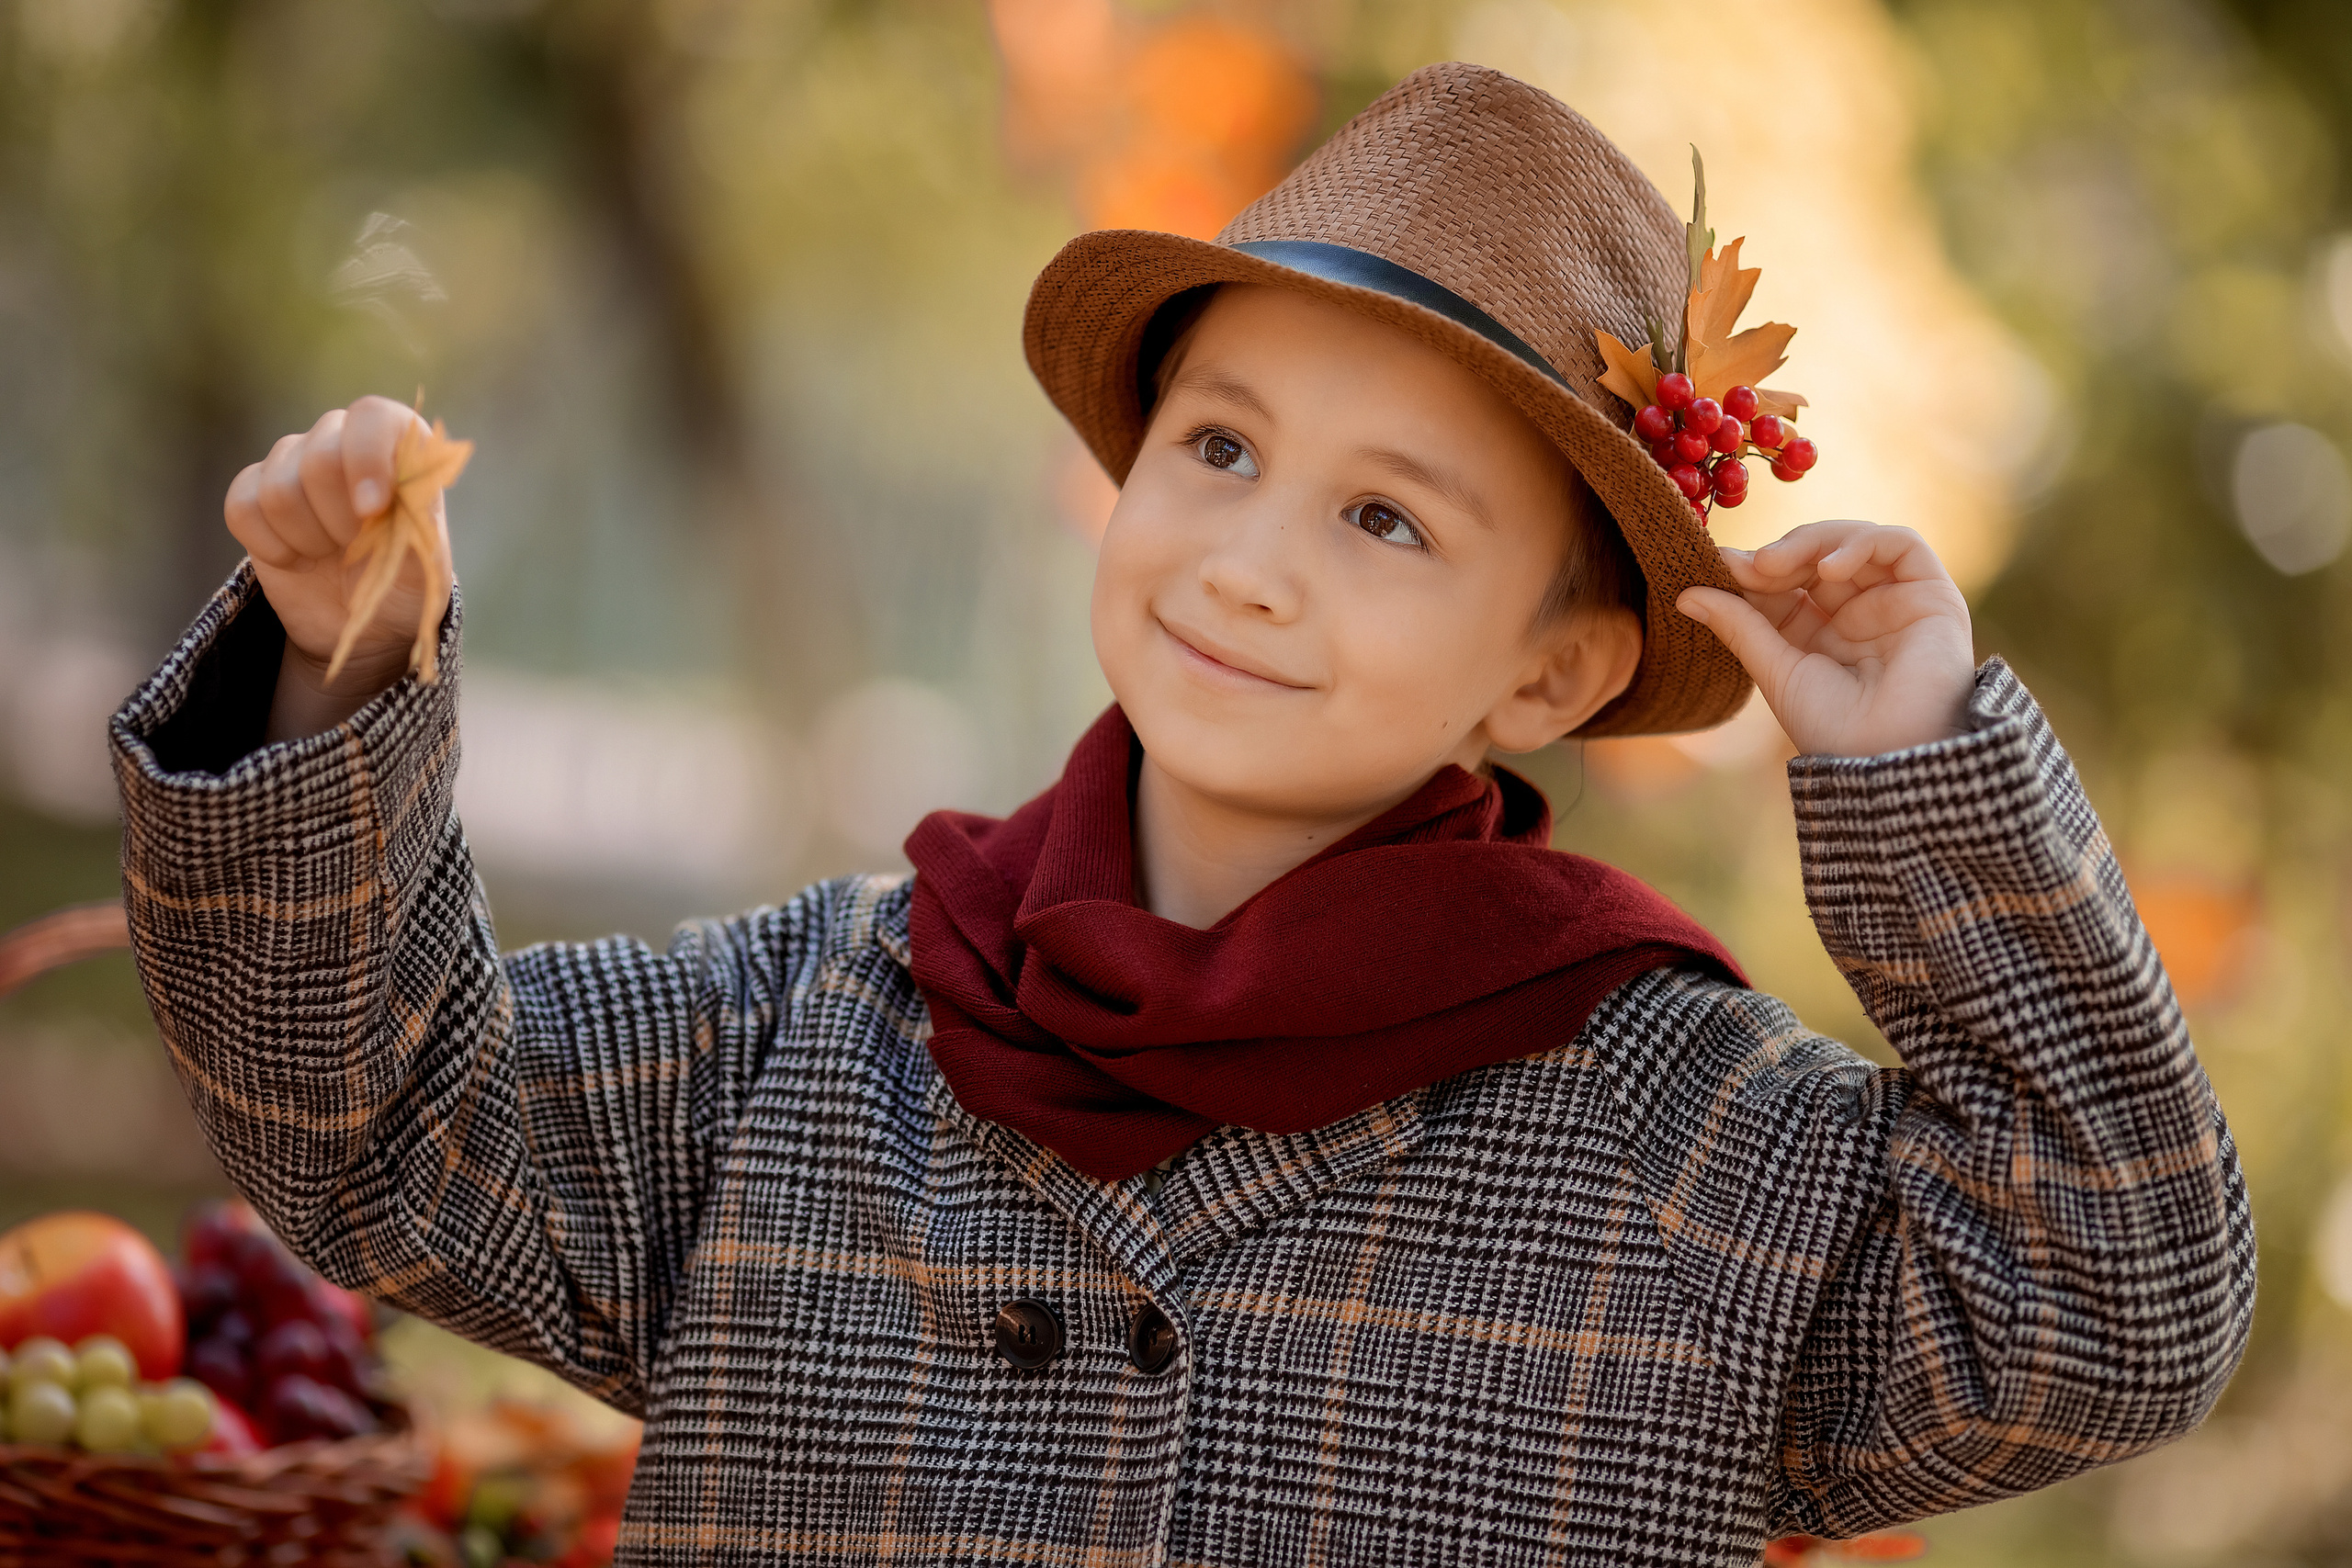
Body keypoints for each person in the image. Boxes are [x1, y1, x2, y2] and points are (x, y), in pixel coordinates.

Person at [111, 62, 2251, 1565]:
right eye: (1217, 448)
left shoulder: (1685, 1142)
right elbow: (379, 1131)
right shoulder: (809, 1021)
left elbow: (2115, 1311)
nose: (1245, 562)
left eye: (1383, 518)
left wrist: (1918, 768)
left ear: (1548, 672)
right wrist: (337, 664)